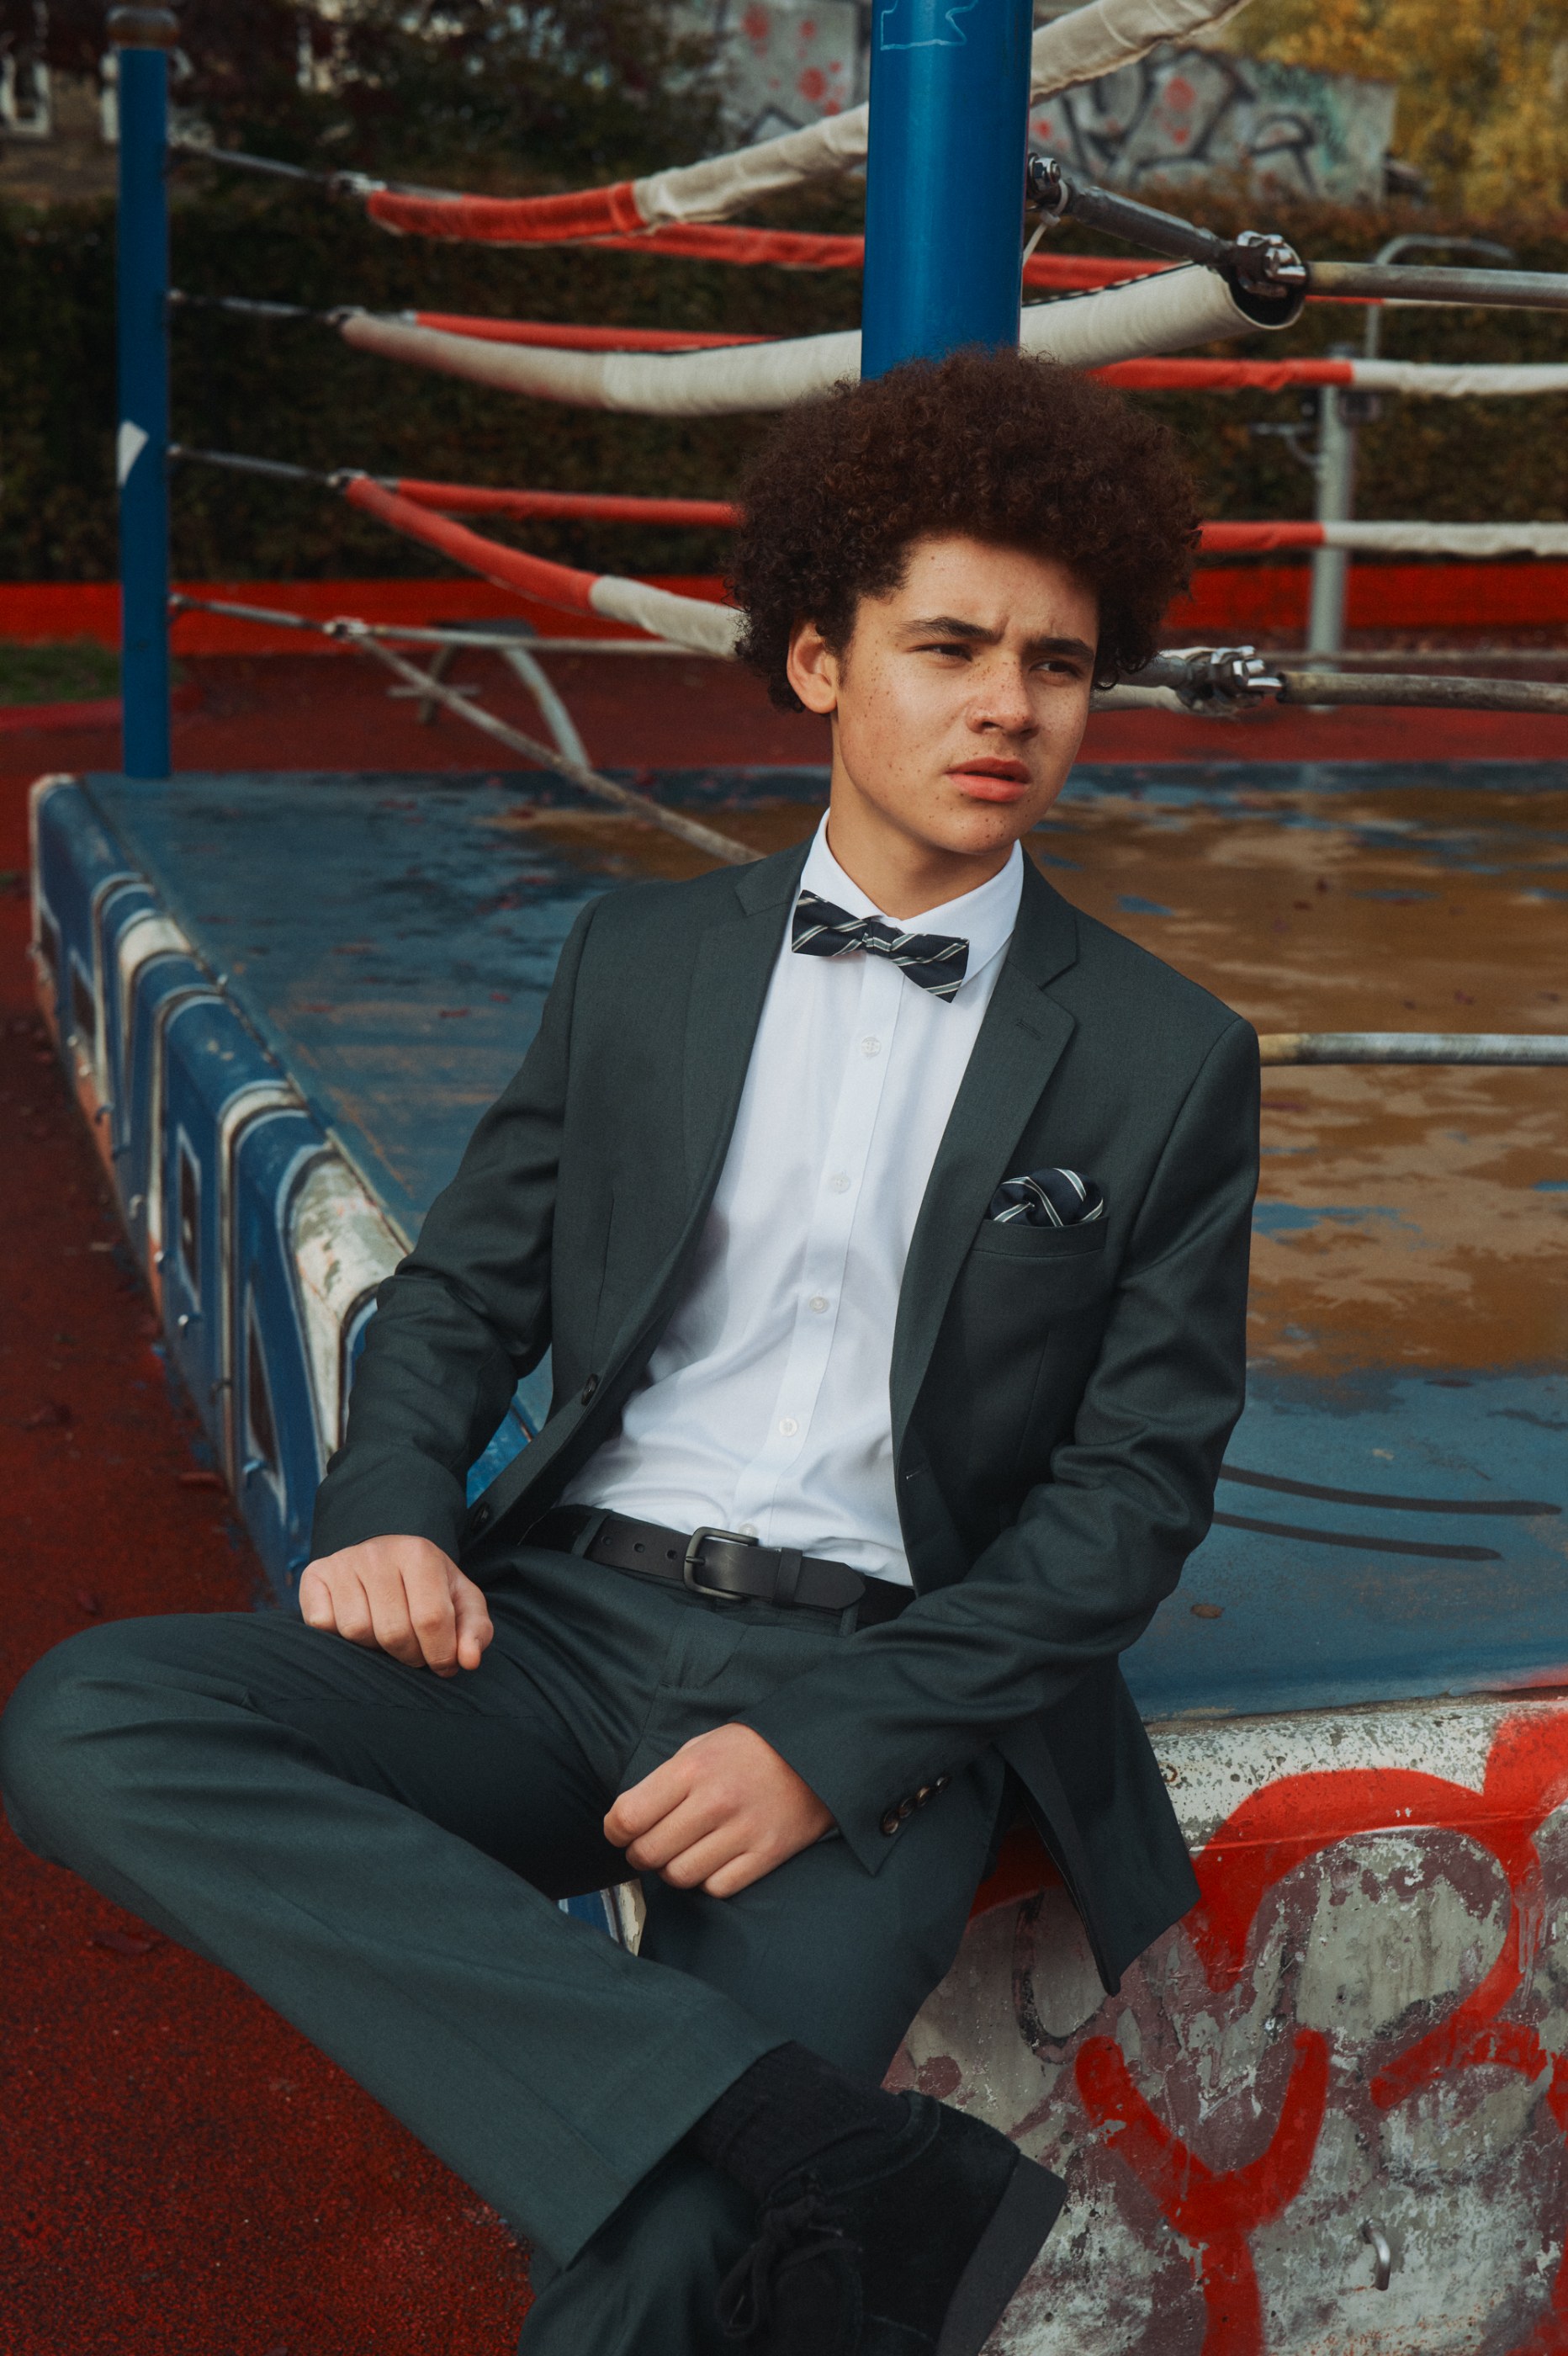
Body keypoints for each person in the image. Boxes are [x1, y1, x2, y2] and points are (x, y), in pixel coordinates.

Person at [1, 347, 1258, 2355]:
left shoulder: (1166, 1055)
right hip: (559, 1637)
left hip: (876, 1701)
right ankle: (798, 2131)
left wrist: (824, 1748)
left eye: (1059, 662)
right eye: (949, 645)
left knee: (675, 2242)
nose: (1009, 704)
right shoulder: (642, 961)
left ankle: (740, 2145)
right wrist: (393, 1501)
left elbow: (1128, 1501)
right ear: (817, 658)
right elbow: (466, 1294)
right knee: (87, 1715)